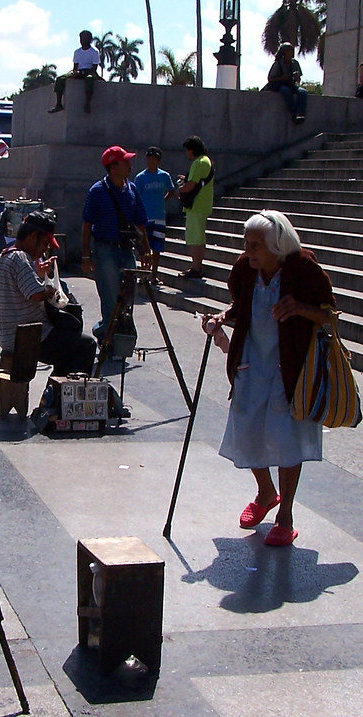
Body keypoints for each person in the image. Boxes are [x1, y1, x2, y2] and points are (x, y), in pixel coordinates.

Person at [201, 210, 335, 547]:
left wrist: (300, 308)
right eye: (246, 244)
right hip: (251, 363)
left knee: (287, 437)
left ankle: (285, 515)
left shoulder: (303, 267)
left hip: (289, 367)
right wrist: (222, 317)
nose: (249, 251)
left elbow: (329, 315)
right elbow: (242, 304)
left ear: (277, 245)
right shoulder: (246, 268)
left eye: (255, 245)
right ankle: (265, 492)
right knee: (246, 429)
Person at [0, 210, 96, 375]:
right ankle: (58, 397)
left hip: (13, 336)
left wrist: (40, 274)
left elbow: (24, 289)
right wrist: (50, 289)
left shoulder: (5, 257)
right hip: (28, 337)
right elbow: (36, 295)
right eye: (45, 243)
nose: (45, 250)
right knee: (87, 346)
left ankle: (54, 396)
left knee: (69, 345)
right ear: (33, 237)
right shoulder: (20, 258)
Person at [81, 145, 151, 340]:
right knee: (110, 297)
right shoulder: (97, 191)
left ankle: (119, 334)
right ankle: (108, 337)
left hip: (127, 250)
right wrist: (86, 255)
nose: (130, 165)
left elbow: (140, 223)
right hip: (105, 250)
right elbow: (87, 223)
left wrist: (146, 251)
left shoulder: (132, 189)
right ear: (113, 168)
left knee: (129, 297)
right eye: (125, 162)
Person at [134, 146, 176, 281]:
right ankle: (144, 274)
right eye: (149, 159)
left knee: (157, 247)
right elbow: (135, 196)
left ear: (158, 161)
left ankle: (154, 275)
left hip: (159, 216)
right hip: (145, 218)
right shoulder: (140, 177)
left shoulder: (164, 176)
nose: (151, 162)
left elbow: (172, 190)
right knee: (144, 247)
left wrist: (163, 200)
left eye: (154, 159)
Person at [177, 135, 214, 280]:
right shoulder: (206, 161)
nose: (186, 154)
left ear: (192, 150)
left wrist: (180, 188)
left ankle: (196, 267)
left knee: (194, 238)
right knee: (200, 237)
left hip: (196, 205)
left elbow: (191, 185)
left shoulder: (198, 163)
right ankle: (198, 266)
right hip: (203, 204)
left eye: (187, 150)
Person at [49, 30, 101, 114]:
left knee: (89, 79)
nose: (82, 40)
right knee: (60, 78)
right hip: (79, 71)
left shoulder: (94, 52)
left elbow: (94, 68)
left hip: (89, 72)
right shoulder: (77, 52)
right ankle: (58, 104)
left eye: (84, 38)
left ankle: (87, 103)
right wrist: (75, 73)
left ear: (89, 39)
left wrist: (84, 72)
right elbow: (75, 67)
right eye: (81, 38)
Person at [264, 42, 307, 124]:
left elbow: (298, 79)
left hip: (292, 84)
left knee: (303, 92)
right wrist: (282, 78)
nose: (291, 54)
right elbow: (270, 79)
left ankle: (301, 113)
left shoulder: (294, 63)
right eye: (289, 52)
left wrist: (296, 77)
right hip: (280, 84)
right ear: (284, 52)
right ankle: (293, 113)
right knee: (285, 91)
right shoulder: (278, 64)